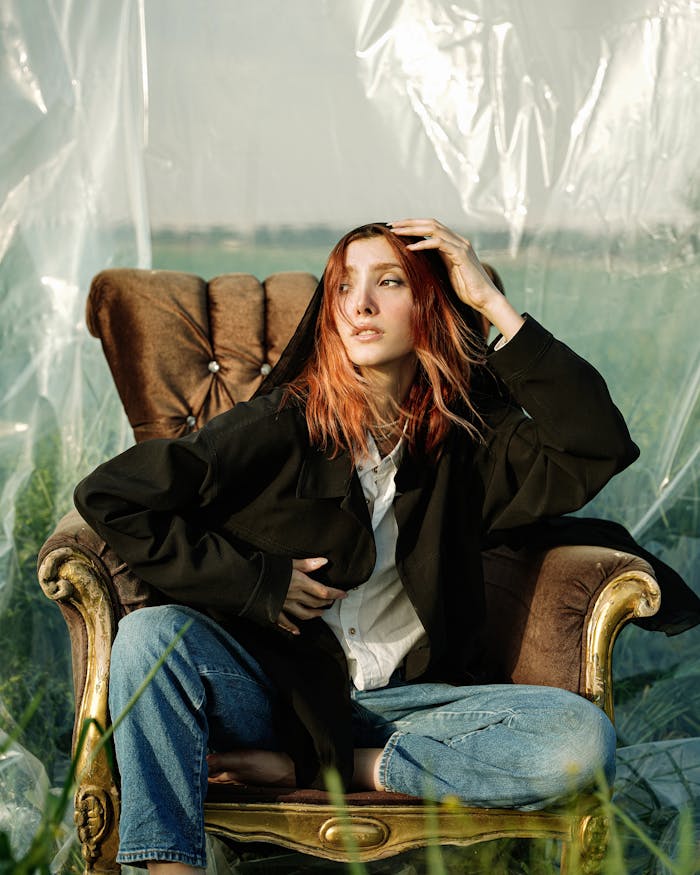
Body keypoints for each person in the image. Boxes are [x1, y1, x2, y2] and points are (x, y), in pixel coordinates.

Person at [74, 218, 640, 874]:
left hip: (408, 710)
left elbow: (595, 443)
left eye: (389, 282)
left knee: (582, 739)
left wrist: (488, 298)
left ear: (429, 307)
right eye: (344, 286)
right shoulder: (280, 423)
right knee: (150, 636)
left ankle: (331, 767)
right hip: (279, 696)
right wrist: (258, 583)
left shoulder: (468, 440)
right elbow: (112, 495)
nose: (361, 304)